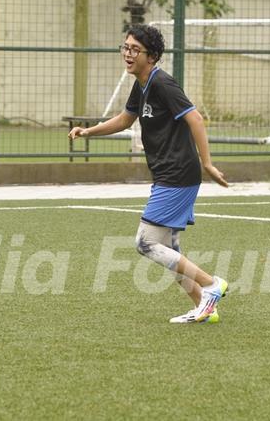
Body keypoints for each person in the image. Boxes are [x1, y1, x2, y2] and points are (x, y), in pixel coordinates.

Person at [68, 24, 229, 324]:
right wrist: (88, 130)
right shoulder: (141, 85)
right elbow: (125, 120)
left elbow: (195, 118)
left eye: (135, 50)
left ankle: (210, 285)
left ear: (151, 56)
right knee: (169, 248)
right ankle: (205, 307)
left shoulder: (162, 84)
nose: (127, 54)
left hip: (178, 174)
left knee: (145, 243)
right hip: (169, 175)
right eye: (125, 47)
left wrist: (207, 163)